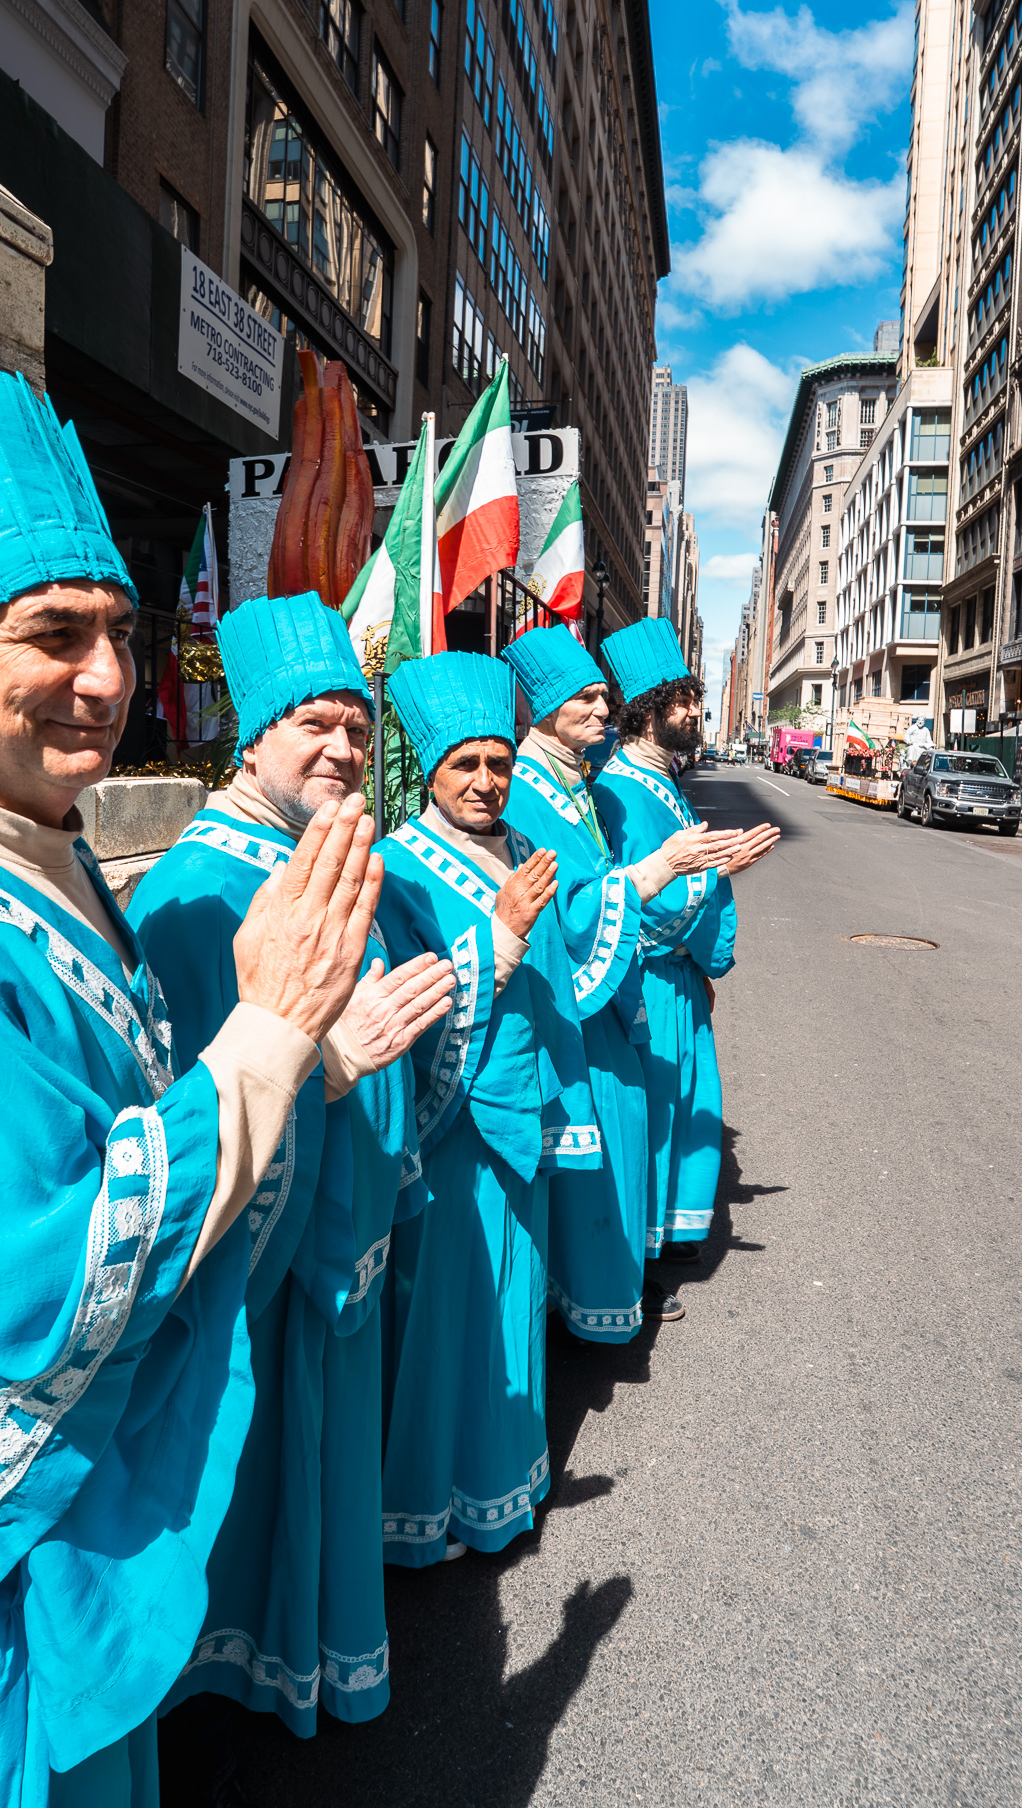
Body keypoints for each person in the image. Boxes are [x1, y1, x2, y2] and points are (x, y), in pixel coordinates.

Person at [0, 367, 394, 1808]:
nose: (107, 680)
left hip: (87, 1521)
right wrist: (272, 1043)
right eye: (53, 635)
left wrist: (307, 1055)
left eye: (122, 630)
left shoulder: (54, 854)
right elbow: (34, 1285)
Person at [128, 593, 454, 1738]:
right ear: (250, 734)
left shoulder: (311, 849)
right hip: (265, 1270)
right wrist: (325, 1069)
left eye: (358, 730)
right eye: (314, 723)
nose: (343, 749)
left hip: (342, 1231)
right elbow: (195, 1107)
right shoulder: (192, 889)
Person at [374, 652, 597, 1565]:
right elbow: (406, 1009)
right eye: (464, 764)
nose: (485, 781)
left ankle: (505, 1481)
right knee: (451, 1315)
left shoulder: (519, 846)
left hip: (524, 1116)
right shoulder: (396, 867)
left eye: (498, 763)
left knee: (512, 1304)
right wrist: (497, 940)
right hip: (452, 1129)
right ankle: (437, 1506)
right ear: (428, 770)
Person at [503, 624, 742, 1334]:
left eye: (606, 697)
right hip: (581, 991)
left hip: (617, 985)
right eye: (588, 697)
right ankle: (591, 1292)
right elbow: (577, 898)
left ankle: (615, 1277)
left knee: (627, 1132)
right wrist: (670, 877)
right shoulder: (541, 788)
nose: (602, 710)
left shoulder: (571, 780)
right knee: (605, 1141)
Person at [593, 620, 779, 1294]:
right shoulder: (621, 787)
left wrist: (716, 865)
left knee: (678, 1108)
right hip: (651, 983)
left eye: (696, 699)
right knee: (656, 1115)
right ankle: (636, 1263)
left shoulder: (657, 777)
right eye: (682, 702)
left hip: (678, 979)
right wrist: (717, 869)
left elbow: (681, 873)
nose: (695, 712)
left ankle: (667, 1240)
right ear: (645, 711)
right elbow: (642, 896)